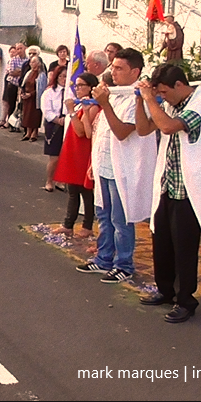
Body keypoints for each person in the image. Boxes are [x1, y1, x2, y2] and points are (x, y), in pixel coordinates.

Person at [134, 64, 201, 323]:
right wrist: (140, 102)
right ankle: (165, 290)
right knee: (161, 241)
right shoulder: (168, 103)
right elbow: (143, 129)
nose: (163, 97)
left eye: (165, 92)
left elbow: (167, 127)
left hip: (190, 190)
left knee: (184, 248)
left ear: (179, 85)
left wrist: (151, 99)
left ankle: (186, 299)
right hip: (167, 184)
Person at [76, 48, 157, 284]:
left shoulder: (135, 100)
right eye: (113, 67)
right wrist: (95, 162)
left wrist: (105, 105)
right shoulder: (114, 94)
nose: (114, 72)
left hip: (122, 169)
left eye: (120, 68)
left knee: (121, 220)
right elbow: (101, 133)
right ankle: (104, 259)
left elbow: (122, 132)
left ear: (135, 72)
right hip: (105, 166)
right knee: (104, 215)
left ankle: (124, 264)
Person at [52, 72, 100, 238]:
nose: (77, 89)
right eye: (76, 85)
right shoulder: (82, 105)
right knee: (72, 190)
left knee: (85, 191)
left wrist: (72, 111)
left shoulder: (93, 107)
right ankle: (68, 223)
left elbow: (82, 132)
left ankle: (87, 225)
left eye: (81, 85)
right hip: (73, 150)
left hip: (83, 152)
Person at [41, 66, 67, 192]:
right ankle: (49, 180)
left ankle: (61, 180)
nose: (63, 79)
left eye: (66, 76)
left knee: (65, 155)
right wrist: (58, 120)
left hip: (68, 124)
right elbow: (47, 111)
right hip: (54, 125)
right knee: (54, 157)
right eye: (61, 76)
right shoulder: (49, 92)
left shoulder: (71, 92)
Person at [0, 43, 27, 131]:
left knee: (20, 106)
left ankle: (17, 125)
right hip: (12, 85)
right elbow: (11, 73)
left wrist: (19, 71)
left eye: (20, 48)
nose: (19, 50)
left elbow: (27, 72)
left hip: (22, 86)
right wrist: (22, 72)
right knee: (11, 104)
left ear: (25, 48)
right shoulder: (13, 60)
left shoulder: (28, 60)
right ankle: (10, 124)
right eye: (17, 49)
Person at [19, 53, 44, 142]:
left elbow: (41, 89)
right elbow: (24, 83)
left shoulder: (41, 75)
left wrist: (31, 94)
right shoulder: (29, 73)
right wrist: (23, 93)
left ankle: (35, 133)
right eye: (31, 62)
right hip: (27, 97)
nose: (31, 64)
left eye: (33, 62)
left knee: (34, 115)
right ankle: (28, 132)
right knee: (27, 115)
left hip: (35, 98)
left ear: (38, 63)